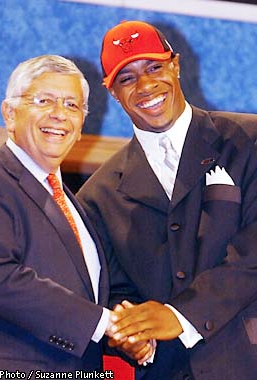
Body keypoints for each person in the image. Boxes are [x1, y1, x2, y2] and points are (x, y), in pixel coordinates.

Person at [77, 20, 257, 380]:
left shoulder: (247, 139)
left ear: (175, 65)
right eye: (126, 78)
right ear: (112, 92)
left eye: (154, 67)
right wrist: (131, 335)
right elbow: (112, 291)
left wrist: (179, 316)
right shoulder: (96, 195)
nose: (145, 86)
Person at [0, 54, 152, 374]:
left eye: (72, 105)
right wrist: (104, 323)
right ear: (9, 114)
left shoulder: (79, 208)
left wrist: (131, 333)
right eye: (44, 100)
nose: (59, 114)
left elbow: (97, 300)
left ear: (80, 128)